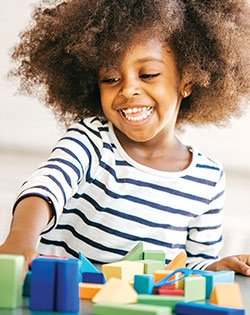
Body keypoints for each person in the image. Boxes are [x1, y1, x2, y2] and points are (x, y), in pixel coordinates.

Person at [1, 0, 250, 275]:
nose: (129, 89)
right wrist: (21, 237)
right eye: (110, 78)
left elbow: (194, 266)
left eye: (148, 74)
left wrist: (216, 267)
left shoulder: (208, 178)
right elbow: (46, 187)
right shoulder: (91, 141)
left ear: (187, 81)